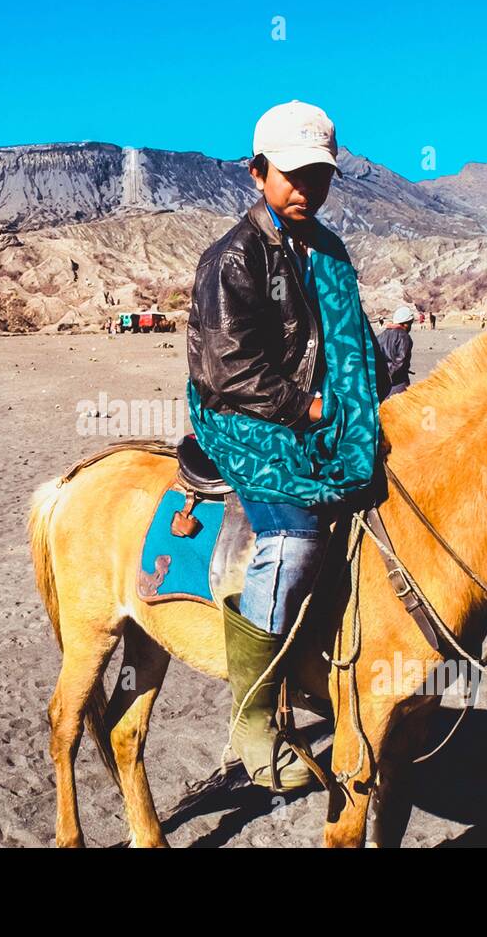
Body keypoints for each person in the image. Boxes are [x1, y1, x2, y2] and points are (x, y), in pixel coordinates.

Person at [186, 100, 390, 789]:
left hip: (320, 413)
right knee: (296, 533)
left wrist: (369, 392)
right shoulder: (234, 257)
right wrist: (309, 405)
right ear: (257, 173)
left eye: (320, 176)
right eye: (292, 174)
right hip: (244, 416)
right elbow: (227, 367)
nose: (306, 188)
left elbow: (354, 342)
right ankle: (254, 712)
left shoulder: (329, 253)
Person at [377, 306, 416, 397]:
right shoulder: (403, 336)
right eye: (410, 323)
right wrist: (389, 376)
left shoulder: (380, 336)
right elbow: (400, 360)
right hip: (398, 382)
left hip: (381, 382)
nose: (410, 326)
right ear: (405, 324)